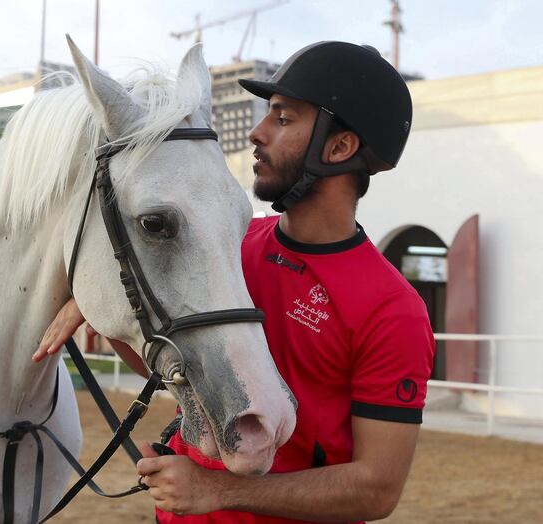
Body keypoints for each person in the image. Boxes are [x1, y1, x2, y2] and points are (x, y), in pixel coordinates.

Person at [33, 41, 435, 524]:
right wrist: (103, 294)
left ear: (340, 146)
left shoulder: (392, 308)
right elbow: (176, 374)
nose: (256, 133)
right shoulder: (232, 246)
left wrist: (216, 489)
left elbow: (376, 489)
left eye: (283, 119)